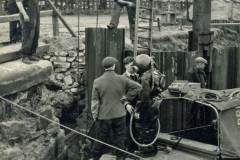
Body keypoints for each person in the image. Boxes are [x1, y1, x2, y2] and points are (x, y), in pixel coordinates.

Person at [91, 57, 142, 160]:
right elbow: (138, 87)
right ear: (113, 66)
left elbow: (95, 102)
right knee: (120, 139)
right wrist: (126, 98)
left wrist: (95, 115)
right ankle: (121, 157)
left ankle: (94, 157)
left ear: (104, 67)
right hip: (120, 114)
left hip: (104, 116)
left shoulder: (97, 81)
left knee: (100, 139)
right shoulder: (122, 79)